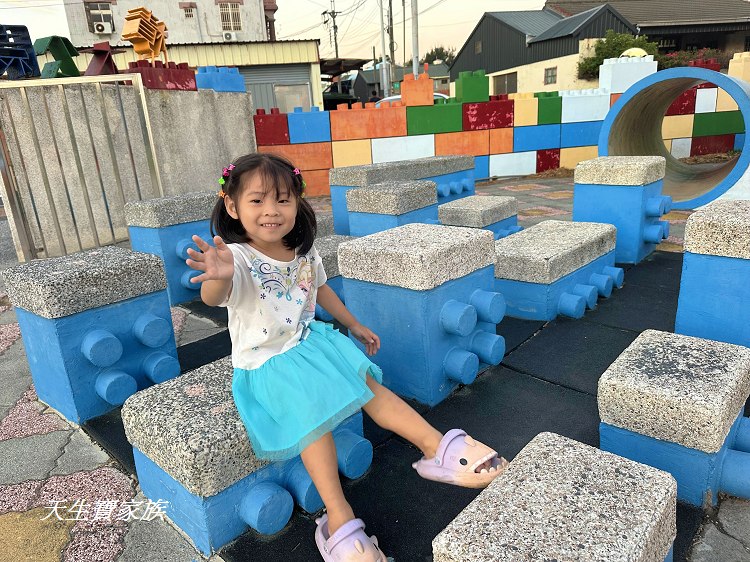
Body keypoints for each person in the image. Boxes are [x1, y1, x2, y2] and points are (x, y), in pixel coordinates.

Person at [186, 153, 508, 561]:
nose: (271, 211)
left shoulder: (302, 250)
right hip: (269, 364)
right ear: (232, 206)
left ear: (298, 203)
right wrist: (218, 278)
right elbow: (215, 296)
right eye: (257, 201)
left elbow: (319, 289)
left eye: (283, 200)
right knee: (312, 419)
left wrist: (353, 324)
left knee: (370, 384)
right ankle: (338, 516)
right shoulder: (237, 258)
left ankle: (436, 449)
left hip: (310, 343)